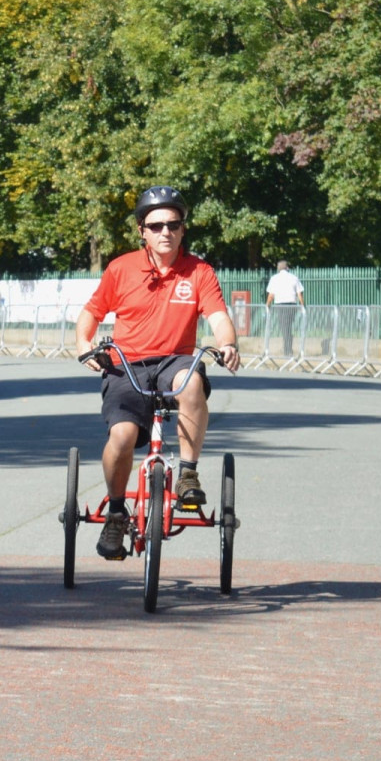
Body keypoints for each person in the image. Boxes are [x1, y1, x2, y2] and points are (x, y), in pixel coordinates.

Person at [74, 186, 241, 560]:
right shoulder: (121, 268)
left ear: (183, 229)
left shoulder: (199, 271)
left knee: (192, 380)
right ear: (142, 231)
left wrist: (228, 344)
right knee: (122, 436)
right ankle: (117, 512)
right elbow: (90, 314)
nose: (166, 231)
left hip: (173, 361)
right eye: (157, 225)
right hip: (126, 364)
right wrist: (84, 345)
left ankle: (187, 474)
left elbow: (218, 318)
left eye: (174, 224)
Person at [265, 260, 305, 357]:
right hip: (292, 305)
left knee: (284, 327)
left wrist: (267, 306)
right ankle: (288, 348)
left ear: (278, 268)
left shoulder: (274, 278)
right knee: (288, 326)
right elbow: (299, 294)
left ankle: (287, 349)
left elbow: (271, 295)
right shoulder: (294, 278)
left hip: (280, 305)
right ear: (287, 268)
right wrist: (303, 306)